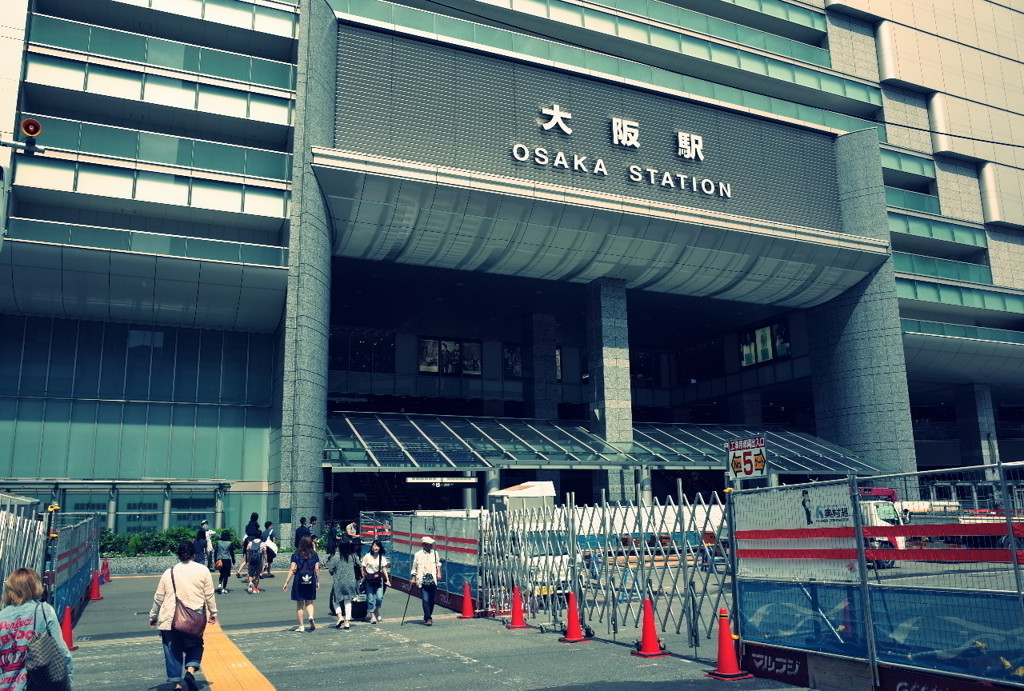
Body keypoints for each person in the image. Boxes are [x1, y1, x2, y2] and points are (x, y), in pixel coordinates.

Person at [150, 541, 217, 691]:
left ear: (179, 555)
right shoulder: (203, 570)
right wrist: (213, 613)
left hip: (169, 618)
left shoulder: (169, 572)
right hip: (194, 617)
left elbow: (158, 597)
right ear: (194, 554)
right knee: (195, 644)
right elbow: (209, 595)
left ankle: (177, 685)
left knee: (172, 650)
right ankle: (190, 671)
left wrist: (153, 616)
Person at [0, 567, 74, 691]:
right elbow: (62, 652)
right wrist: (69, 682)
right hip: (37, 685)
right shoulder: (44, 611)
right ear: (35, 586)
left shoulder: (2, 616)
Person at [283, 535, 320, 633]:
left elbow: (292, 568)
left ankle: (301, 626)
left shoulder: (296, 554)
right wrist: (318, 581)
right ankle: (311, 616)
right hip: (311, 579)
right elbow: (316, 568)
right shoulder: (314, 554)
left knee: (300, 604)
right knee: (309, 602)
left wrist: (286, 582)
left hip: (299, 579)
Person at [326, 538, 360, 629]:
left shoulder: (336, 557)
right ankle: (347, 621)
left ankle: (340, 616)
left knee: (335, 600)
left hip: (339, 581)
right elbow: (359, 564)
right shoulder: (352, 556)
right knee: (348, 601)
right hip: (351, 581)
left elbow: (330, 569)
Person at [411, 536, 442, 626]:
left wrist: (439, 573)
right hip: (422, 579)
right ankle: (428, 618)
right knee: (425, 599)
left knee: (432, 600)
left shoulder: (435, 553)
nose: (431, 546)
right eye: (429, 545)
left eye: (431, 545)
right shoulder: (418, 555)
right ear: (423, 545)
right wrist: (413, 578)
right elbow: (414, 568)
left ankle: (427, 615)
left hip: (432, 579)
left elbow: (438, 564)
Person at [360, 539, 391, 624]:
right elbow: (363, 567)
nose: (375, 547)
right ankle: (372, 615)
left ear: (380, 547)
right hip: (369, 579)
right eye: (374, 545)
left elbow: (384, 569)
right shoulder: (367, 556)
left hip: (378, 579)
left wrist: (387, 580)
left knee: (379, 597)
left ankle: (376, 610)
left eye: (377, 546)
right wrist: (363, 577)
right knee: (370, 598)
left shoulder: (382, 557)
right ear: (372, 547)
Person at [213, 530, 234, 594]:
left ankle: (219, 584)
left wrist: (215, 560)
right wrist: (233, 560)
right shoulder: (230, 543)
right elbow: (231, 553)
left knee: (221, 573)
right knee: (226, 574)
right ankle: (224, 588)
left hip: (219, 560)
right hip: (227, 559)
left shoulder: (218, 542)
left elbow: (215, 551)